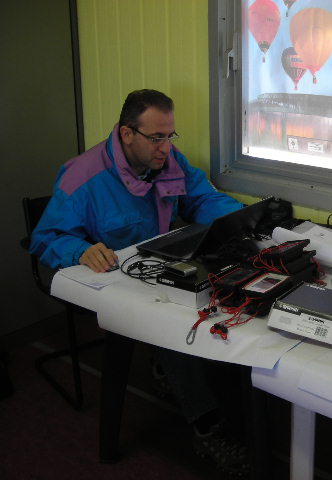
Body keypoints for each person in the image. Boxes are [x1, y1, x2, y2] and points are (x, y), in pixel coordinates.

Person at [30, 89, 249, 475]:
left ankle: (203, 386)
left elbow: (200, 198)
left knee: (218, 298)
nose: (166, 147)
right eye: (157, 137)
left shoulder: (167, 160)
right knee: (177, 329)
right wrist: (79, 249)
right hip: (110, 281)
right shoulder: (83, 176)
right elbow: (45, 238)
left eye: (170, 136)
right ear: (127, 133)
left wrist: (245, 222)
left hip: (156, 269)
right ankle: (208, 427)